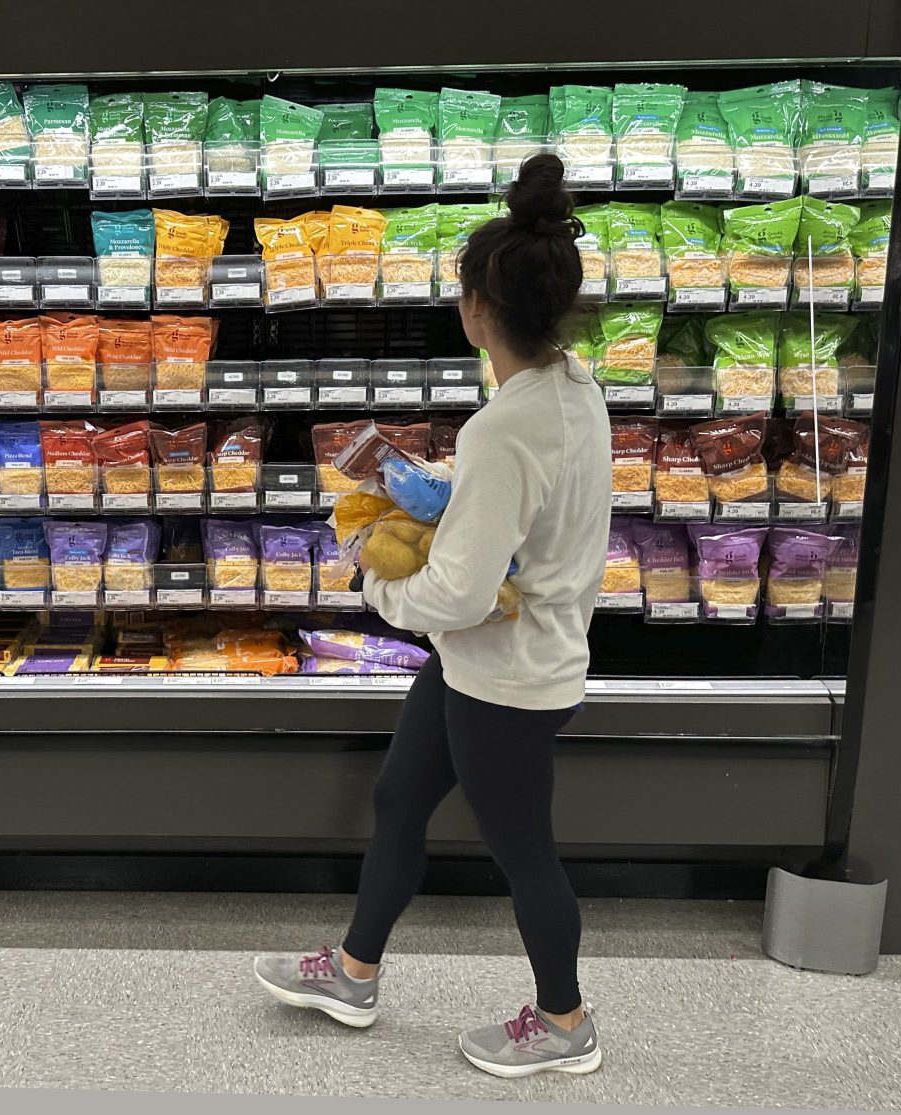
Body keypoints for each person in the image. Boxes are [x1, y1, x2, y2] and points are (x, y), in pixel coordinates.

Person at [254, 153, 612, 1079]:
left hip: (506, 672)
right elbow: (527, 516)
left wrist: (375, 585)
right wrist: (443, 493)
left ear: (475, 310)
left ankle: (566, 1020)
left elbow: (454, 592)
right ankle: (353, 970)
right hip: (493, 658)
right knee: (401, 797)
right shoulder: (574, 389)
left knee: (525, 853)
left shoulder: (504, 426)